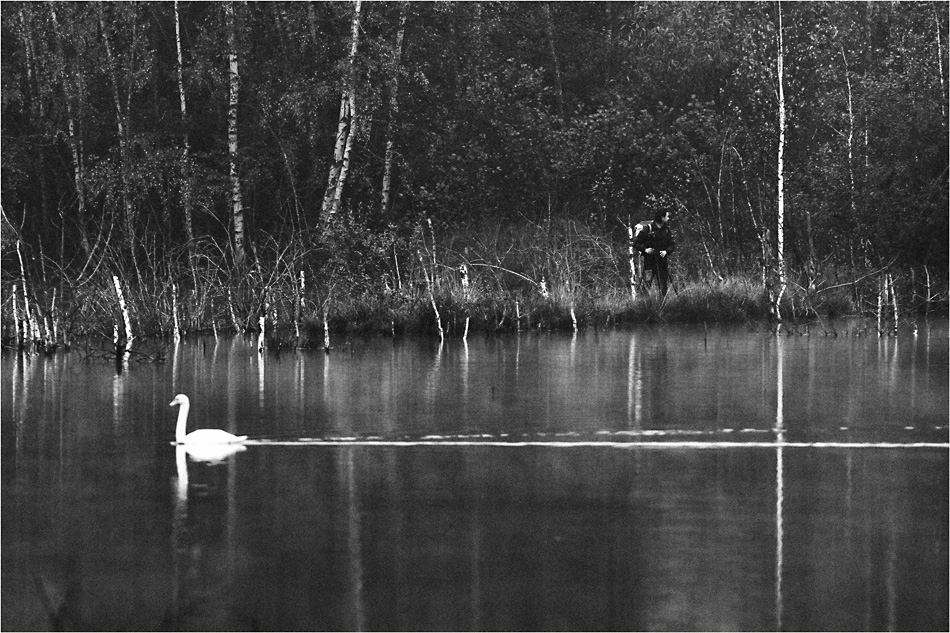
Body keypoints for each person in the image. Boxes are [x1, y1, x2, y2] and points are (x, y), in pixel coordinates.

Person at [633, 210, 675, 295]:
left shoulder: (666, 230)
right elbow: (636, 243)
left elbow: (672, 244)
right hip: (649, 261)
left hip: (662, 262)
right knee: (646, 284)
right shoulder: (648, 229)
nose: (668, 218)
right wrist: (645, 250)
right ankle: (644, 304)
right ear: (662, 217)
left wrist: (666, 251)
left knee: (663, 285)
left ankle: (663, 304)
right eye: (667, 216)